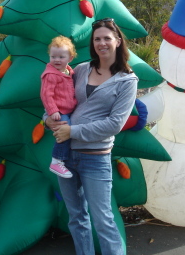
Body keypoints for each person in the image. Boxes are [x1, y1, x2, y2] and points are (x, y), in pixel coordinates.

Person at [45, 18, 137, 255]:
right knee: (76, 217)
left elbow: (115, 124)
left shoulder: (127, 80)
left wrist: (72, 131)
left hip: (95, 158)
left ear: (117, 41)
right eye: (97, 39)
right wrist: (46, 119)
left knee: (103, 219)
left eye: (107, 38)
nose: (102, 43)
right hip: (65, 156)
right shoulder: (82, 69)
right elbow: (57, 97)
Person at [40, 36, 77, 178]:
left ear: (70, 58)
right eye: (53, 56)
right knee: (64, 131)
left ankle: (63, 159)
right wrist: (52, 111)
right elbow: (46, 95)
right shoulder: (51, 74)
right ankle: (57, 160)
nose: (56, 60)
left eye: (61, 57)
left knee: (68, 132)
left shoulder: (68, 71)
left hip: (67, 109)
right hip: (59, 110)